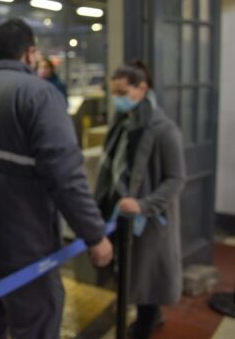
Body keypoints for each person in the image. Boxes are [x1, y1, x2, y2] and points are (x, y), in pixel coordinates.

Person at [0, 18, 113, 339]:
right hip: (26, 245)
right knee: (38, 323)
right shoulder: (38, 94)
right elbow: (66, 174)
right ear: (30, 53)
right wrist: (94, 235)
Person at [94, 61, 186, 339]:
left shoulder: (163, 129)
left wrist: (144, 205)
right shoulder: (123, 123)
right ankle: (149, 316)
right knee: (132, 273)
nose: (117, 99)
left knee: (148, 278)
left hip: (147, 220)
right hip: (121, 215)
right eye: (114, 92)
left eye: (122, 92)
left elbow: (176, 179)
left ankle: (145, 325)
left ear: (142, 88)